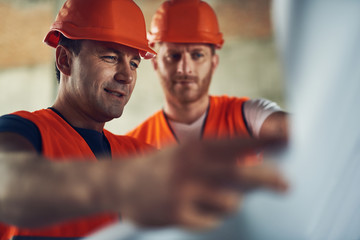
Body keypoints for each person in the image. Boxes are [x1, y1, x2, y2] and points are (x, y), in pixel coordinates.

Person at [0, 0, 288, 239]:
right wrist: (119, 183)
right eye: (111, 57)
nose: (126, 75)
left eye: (134, 62)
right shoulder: (23, 130)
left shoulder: (139, 154)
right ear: (64, 60)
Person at [127, 0, 288, 150]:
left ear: (213, 62)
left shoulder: (249, 117)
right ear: (155, 62)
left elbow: (300, 130)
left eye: (197, 55)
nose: (184, 68)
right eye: (173, 56)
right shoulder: (133, 146)